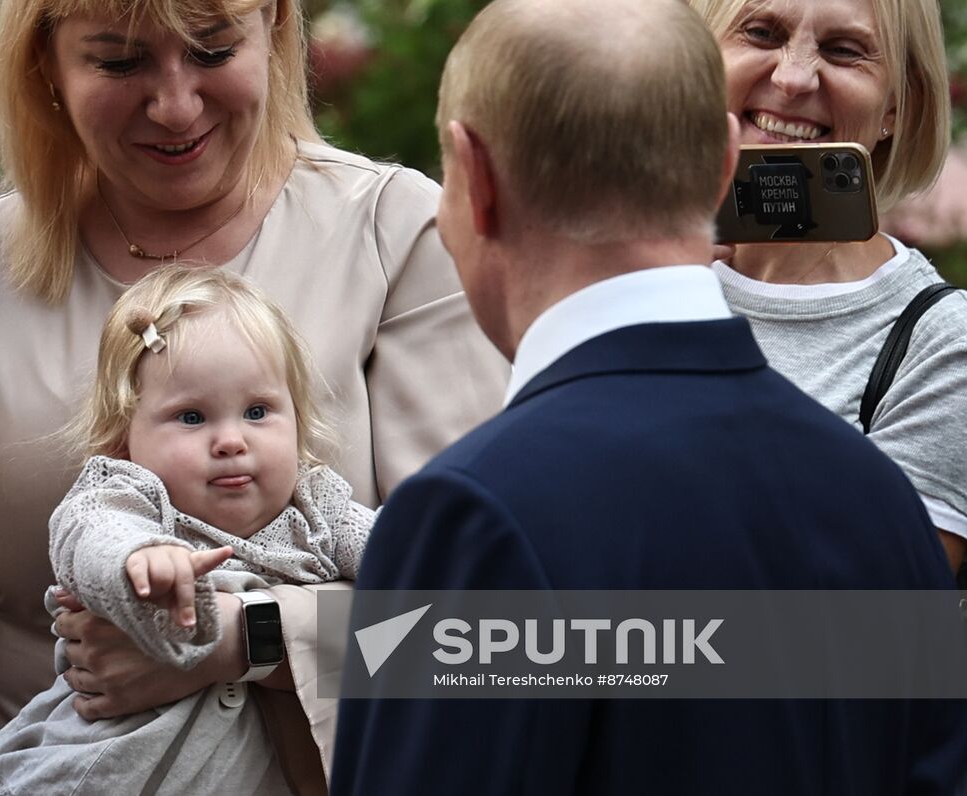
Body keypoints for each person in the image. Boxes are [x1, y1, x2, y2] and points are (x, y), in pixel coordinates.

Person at [0, 0, 508, 791]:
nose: (175, 105)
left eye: (212, 51)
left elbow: (480, 630)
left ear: (275, 26)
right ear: (44, 62)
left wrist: (241, 642)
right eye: (118, 61)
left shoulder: (395, 232)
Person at [330, 0, 967, 793]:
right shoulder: (876, 501)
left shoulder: (471, 518)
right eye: (761, 34)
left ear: (474, 178)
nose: (796, 74)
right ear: (724, 164)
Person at [0, 265, 374, 795]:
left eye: (257, 411)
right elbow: (87, 533)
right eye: (192, 417)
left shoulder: (320, 508)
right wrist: (138, 559)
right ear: (124, 437)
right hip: (101, 776)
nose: (231, 440)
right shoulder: (129, 497)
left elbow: (412, 560)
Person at [692, 0, 967, 572]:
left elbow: (858, 625)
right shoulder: (620, 279)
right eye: (761, 33)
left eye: (844, 51)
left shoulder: (939, 344)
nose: (793, 78)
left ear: (897, 103)